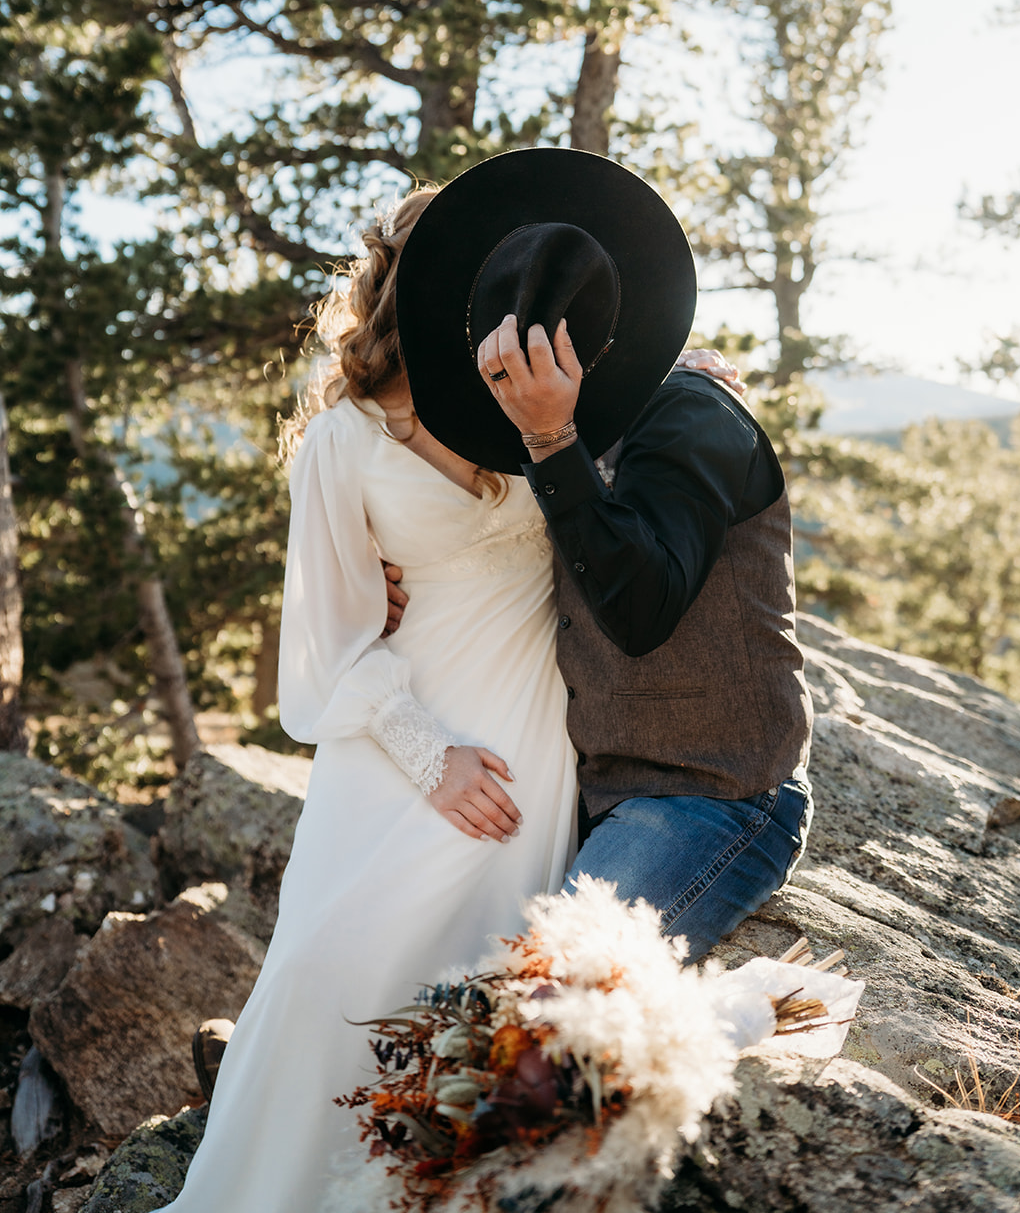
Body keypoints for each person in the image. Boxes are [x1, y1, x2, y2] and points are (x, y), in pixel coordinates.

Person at [161, 189, 577, 1213]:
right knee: (323, 975)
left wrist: (681, 378)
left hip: (528, 732)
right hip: (397, 744)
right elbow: (327, 650)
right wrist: (431, 756)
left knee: (470, 1000)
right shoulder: (341, 439)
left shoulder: (536, 387)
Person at [394, 147, 814, 962]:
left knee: (544, 998)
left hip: (711, 796)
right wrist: (389, 580)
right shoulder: (539, 436)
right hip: (574, 795)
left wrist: (551, 437)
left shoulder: (692, 415)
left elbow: (639, 607)